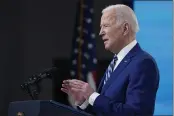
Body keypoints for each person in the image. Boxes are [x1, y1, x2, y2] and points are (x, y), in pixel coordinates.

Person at [61, 4, 159, 116]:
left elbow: (135, 113)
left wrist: (92, 96)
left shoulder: (143, 63)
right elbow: (105, 111)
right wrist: (85, 102)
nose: (100, 32)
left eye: (106, 26)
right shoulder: (116, 62)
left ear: (125, 28)